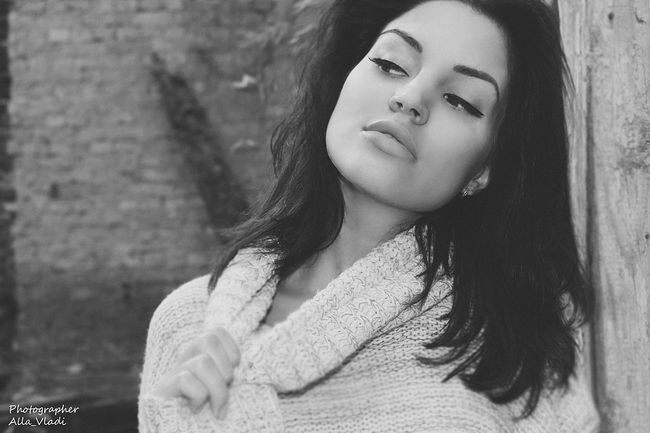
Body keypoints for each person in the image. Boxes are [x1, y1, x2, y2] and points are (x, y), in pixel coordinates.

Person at [138, 0, 601, 431]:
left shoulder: (512, 362)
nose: (410, 97)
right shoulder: (185, 323)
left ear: (484, 169)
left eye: (460, 100)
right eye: (390, 64)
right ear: (344, 78)